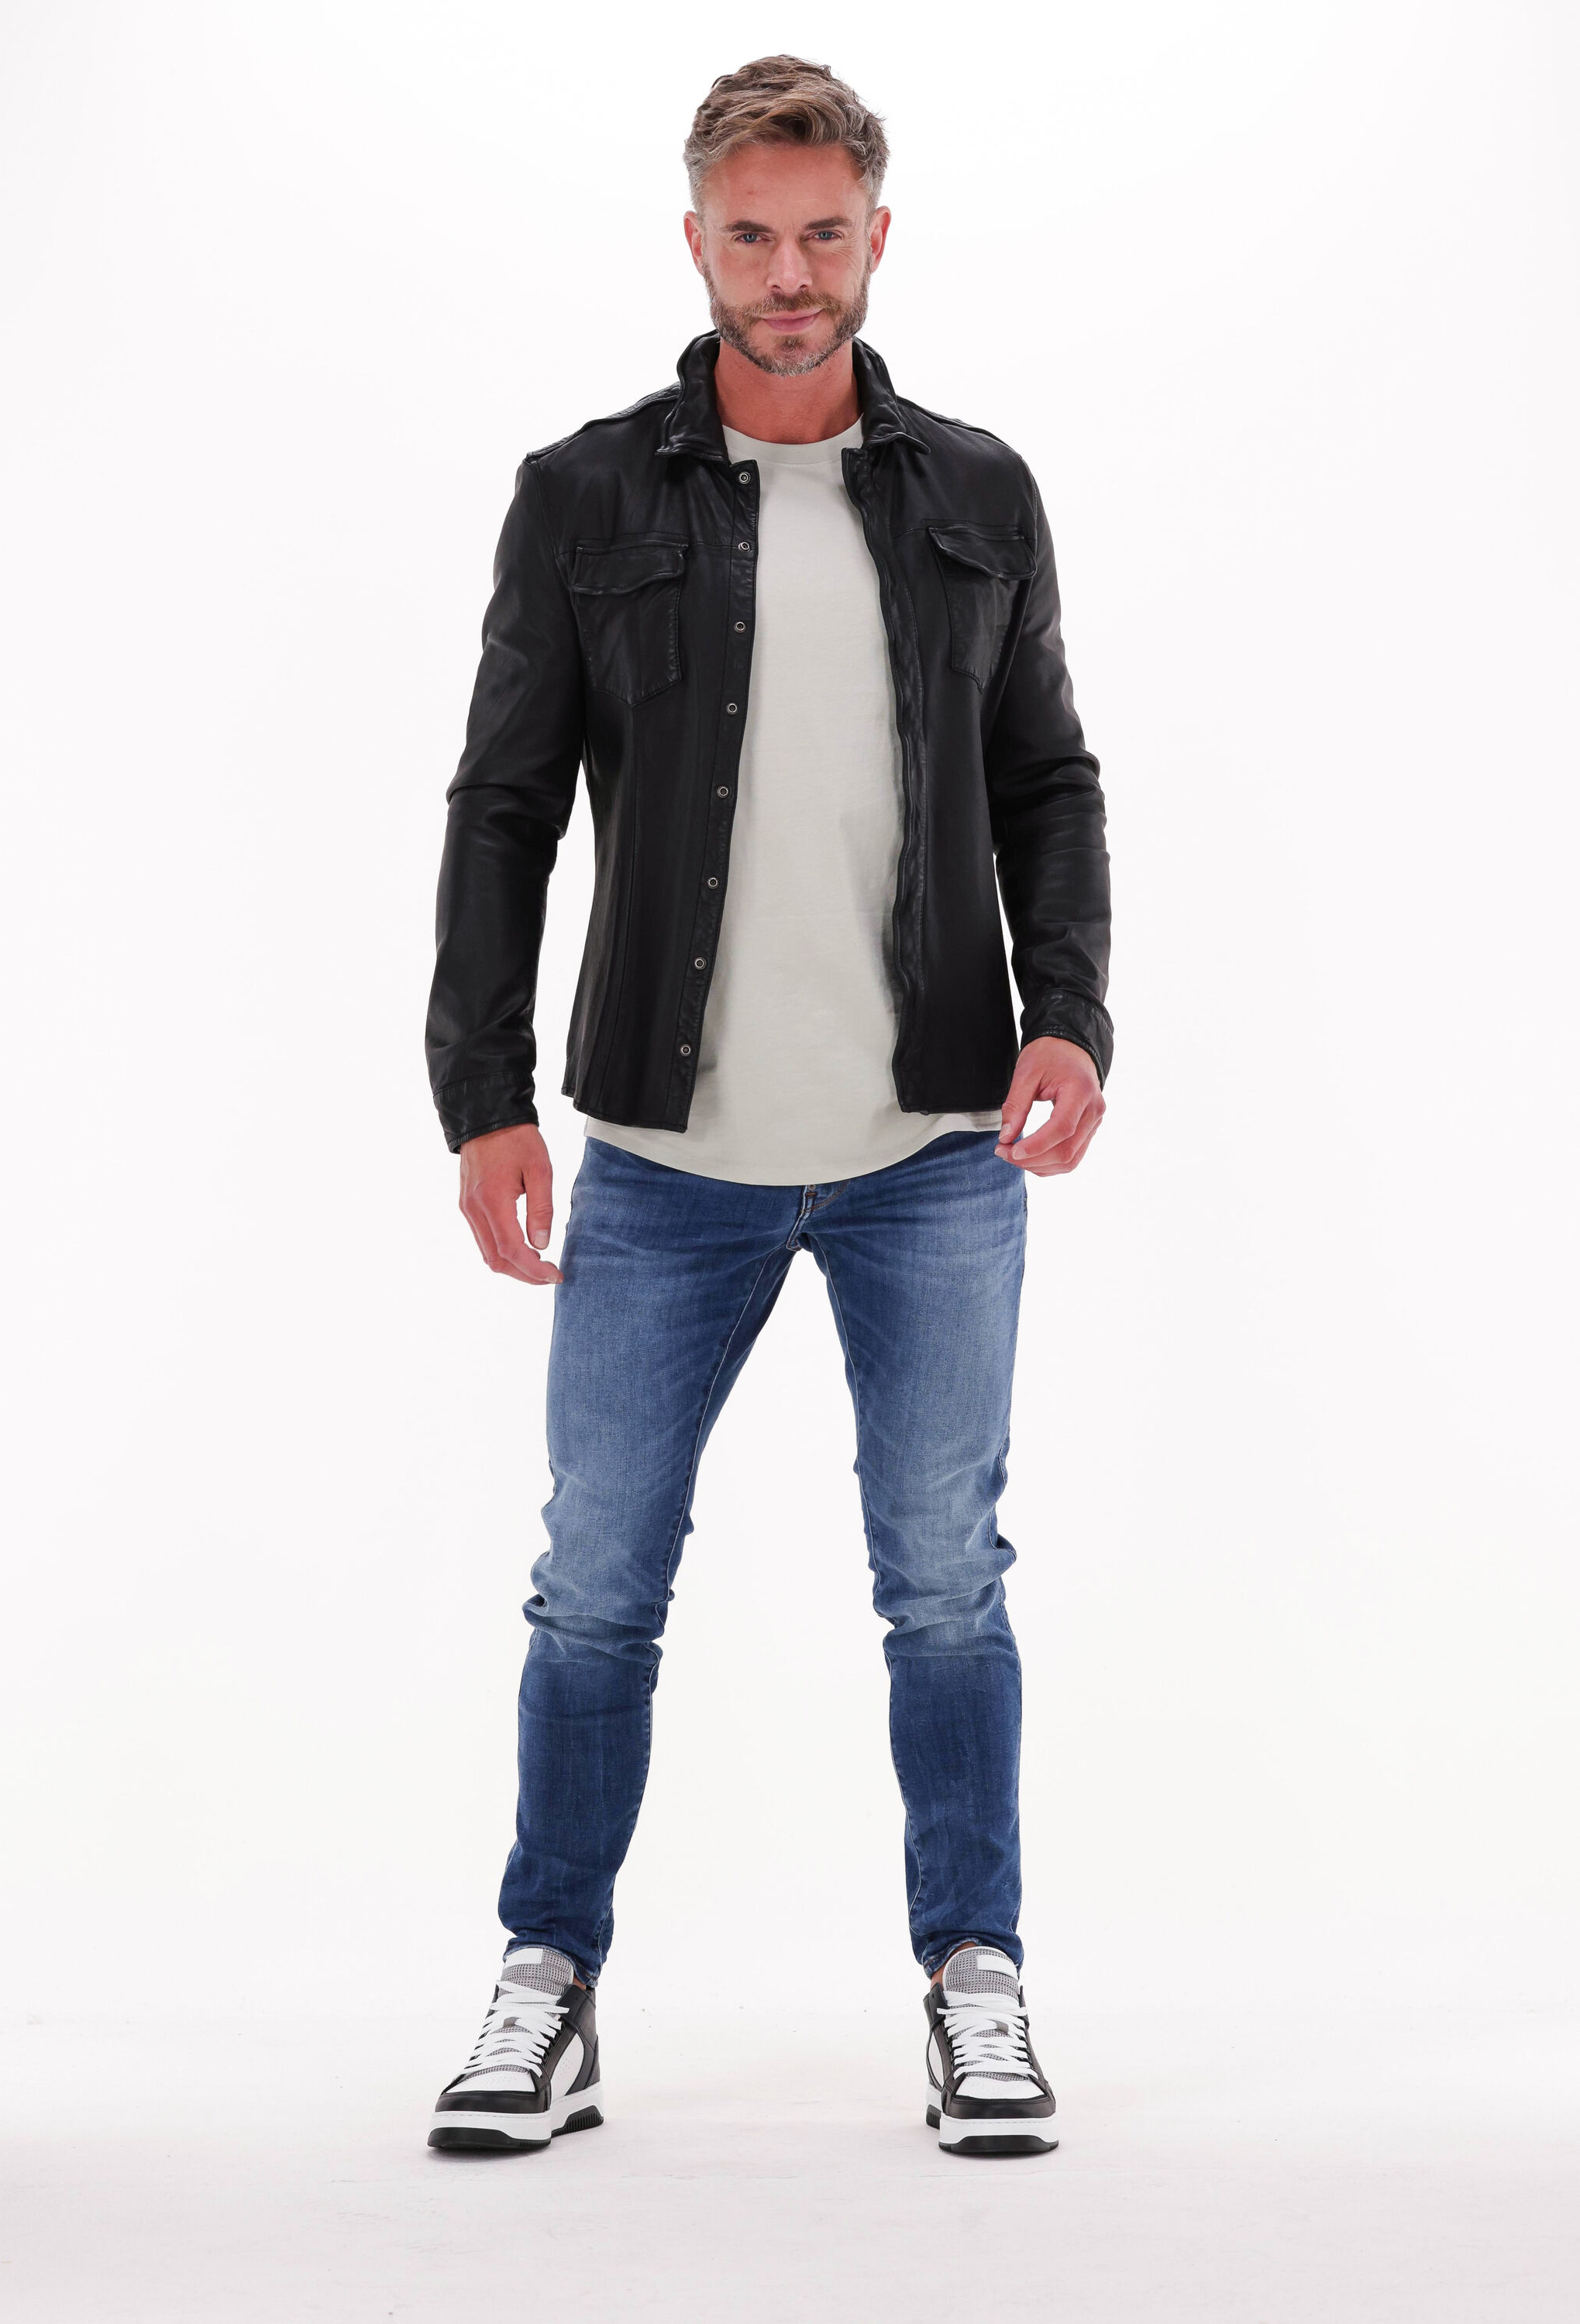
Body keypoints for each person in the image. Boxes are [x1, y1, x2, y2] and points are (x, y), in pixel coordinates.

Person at [423, 54, 1111, 2160]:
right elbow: (504, 803)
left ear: (877, 238)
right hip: (663, 1158)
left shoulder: (976, 492)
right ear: (696, 239)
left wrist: (1072, 1016)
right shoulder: (583, 497)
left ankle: (975, 1980)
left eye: (824, 234)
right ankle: (547, 1984)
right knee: (595, 1584)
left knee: (945, 1581)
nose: (789, 273)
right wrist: (481, 1091)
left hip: (931, 1154)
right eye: (752, 236)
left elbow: (1046, 778)